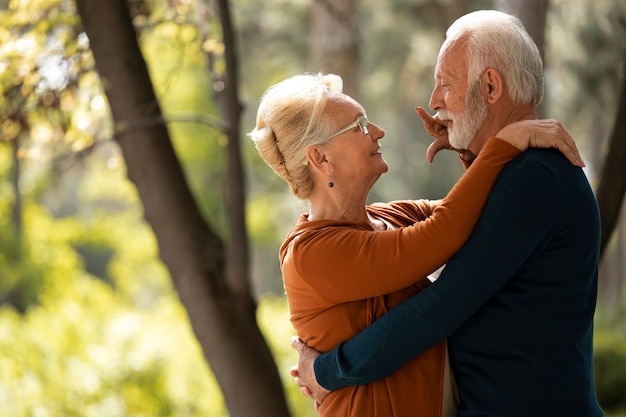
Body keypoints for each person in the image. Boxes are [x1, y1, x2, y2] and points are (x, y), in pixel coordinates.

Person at [290, 10, 604, 417]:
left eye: (446, 85)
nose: (434, 101)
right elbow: (479, 223)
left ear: (490, 86)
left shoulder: (535, 178)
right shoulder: (523, 174)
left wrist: (326, 371)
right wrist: (472, 153)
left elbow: (438, 309)